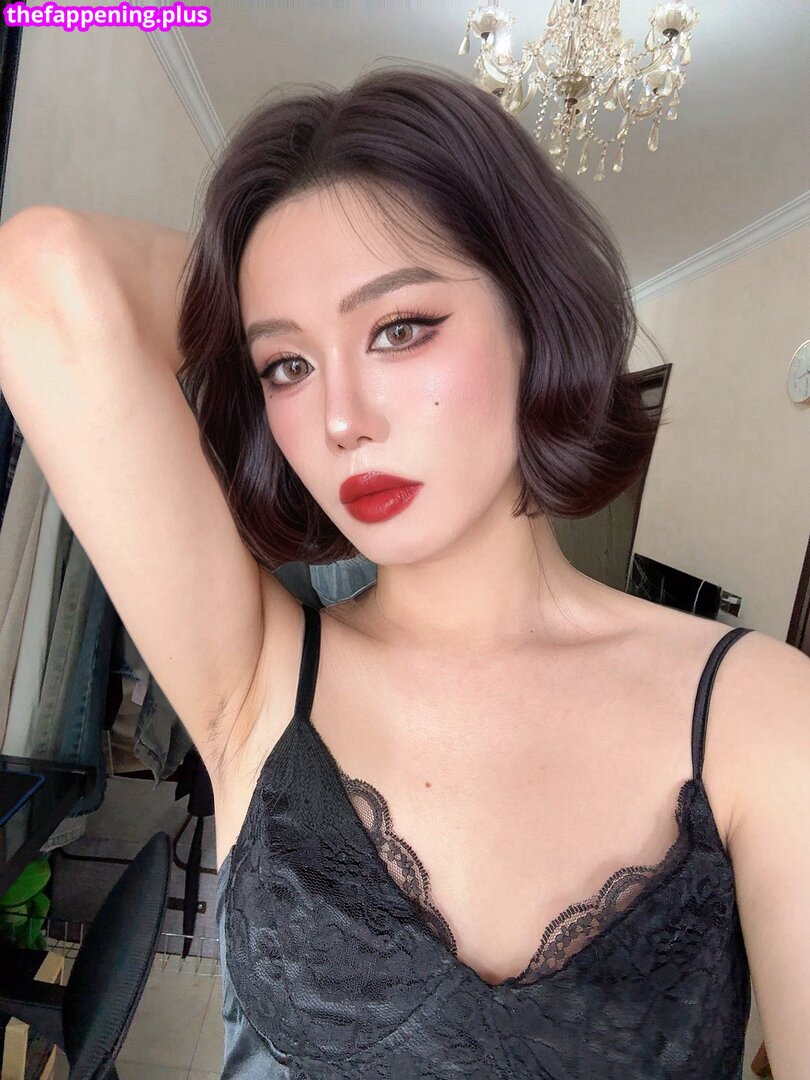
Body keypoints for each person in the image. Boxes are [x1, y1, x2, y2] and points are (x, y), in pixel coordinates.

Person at [0, 62, 808, 1079]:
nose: (340, 418)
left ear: (533, 313)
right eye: (286, 364)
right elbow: (41, 276)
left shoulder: (758, 714)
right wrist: (262, 288)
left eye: (399, 328)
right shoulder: (257, 681)